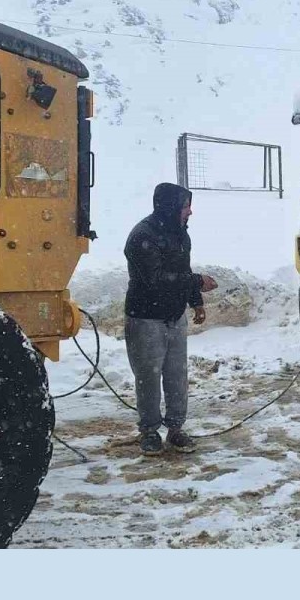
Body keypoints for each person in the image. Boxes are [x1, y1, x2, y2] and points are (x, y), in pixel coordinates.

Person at [124, 183, 217, 456]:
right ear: (171, 207)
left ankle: (175, 428)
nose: (190, 212)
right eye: (186, 206)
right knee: (148, 377)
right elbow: (155, 280)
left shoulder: (180, 235)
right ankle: (150, 431)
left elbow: (181, 270)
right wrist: (198, 282)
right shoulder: (143, 236)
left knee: (177, 375)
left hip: (175, 316)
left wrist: (196, 302)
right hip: (146, 318)